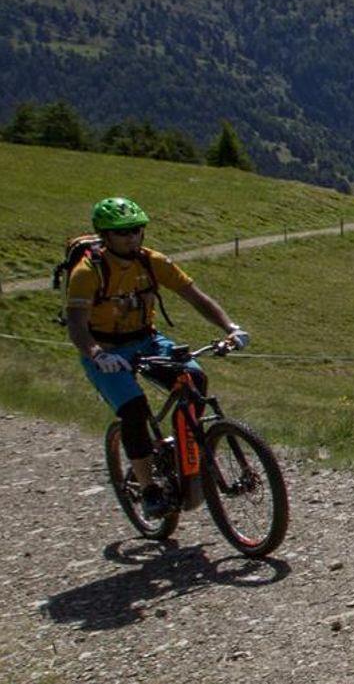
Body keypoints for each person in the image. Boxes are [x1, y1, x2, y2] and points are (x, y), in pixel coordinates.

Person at [64, 196, 248, 520]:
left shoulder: (153, 261)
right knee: (134, 411)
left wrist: (230, 328)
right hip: (105, 349)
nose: (131, 237)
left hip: (147, 340)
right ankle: (149, 489)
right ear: (105, 236)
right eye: (122, 232)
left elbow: (196, 298)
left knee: (195, 379)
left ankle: (184, 449)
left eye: (136, 230)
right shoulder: (87, 272)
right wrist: (96, 354)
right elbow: (77, 326)